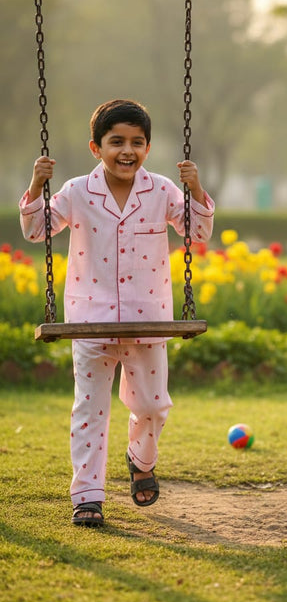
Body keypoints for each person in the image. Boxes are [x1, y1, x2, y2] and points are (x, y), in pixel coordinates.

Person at [20, 99, 214, 527]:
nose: (127, 150)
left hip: (149, 316)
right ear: (96, 147)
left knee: (153, 405)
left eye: (137, 142)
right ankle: (88, 495)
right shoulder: (74, 191)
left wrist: (196, 189)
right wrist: (36, 187)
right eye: (116, 142)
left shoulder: (162, 190)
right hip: (90, 317)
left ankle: (140, 458)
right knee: (89, 410)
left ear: (147, 147)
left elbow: (197, 232)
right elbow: (36, 230)